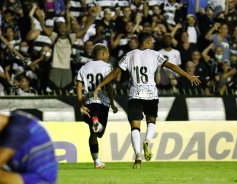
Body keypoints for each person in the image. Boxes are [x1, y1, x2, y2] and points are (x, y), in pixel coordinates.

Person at [94, 32, 200, 169]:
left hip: (135, 94)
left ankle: (138, 154)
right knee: (151, 121)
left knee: (135, 126)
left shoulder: (129, 55)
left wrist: (101, 85)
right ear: (149, 42)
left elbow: (115, 72)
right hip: (151, 94)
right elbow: (172, 66)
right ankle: (148, 140)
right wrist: (188, 75)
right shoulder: (155, 54)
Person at [77, 43, 118, 169]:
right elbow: (109, 86)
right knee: (100, 132)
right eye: (108, 54)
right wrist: (112, 102)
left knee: (93, 133)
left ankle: (97, 161)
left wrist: (81, 104)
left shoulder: (83, 68)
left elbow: (79, 87)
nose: (108, 56)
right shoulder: (107, 67)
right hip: (102, 101)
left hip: (89, 101)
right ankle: (98, 123)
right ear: (104, 54)